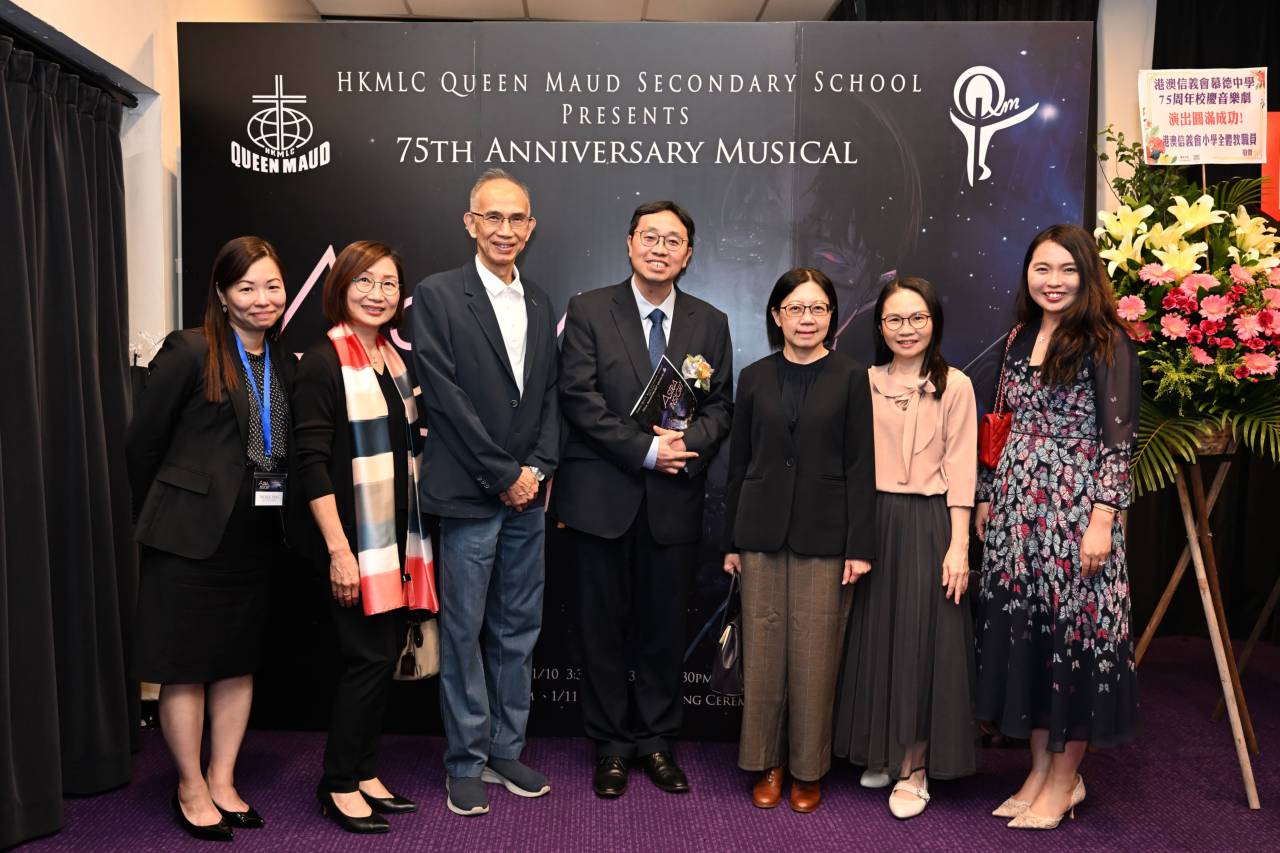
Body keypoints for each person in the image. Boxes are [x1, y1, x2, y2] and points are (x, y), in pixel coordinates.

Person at [554, 200, 733, 798]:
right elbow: (579, 399)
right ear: (629, 244)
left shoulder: (710, 321)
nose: (660, 248)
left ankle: (657, 742)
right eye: (650, 237)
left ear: (689, 254)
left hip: (673, 501)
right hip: (601, 500)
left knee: (663, 631)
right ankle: (610, 745)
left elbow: (721, 406)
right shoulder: (588, 309)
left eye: (673, 240)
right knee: (600, 629)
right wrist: (647, 450)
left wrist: (686, 446)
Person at [127, 236, 295, 841]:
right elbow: (142, 444)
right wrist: (170, 509)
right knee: (187, 667)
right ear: (222, 295)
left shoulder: (285, 362)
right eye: (246, 287)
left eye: (272, 286)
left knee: (235, 664)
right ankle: (190, 784)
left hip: (254, 539)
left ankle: (222, 779)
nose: (261, 298)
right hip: (188, 540)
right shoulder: (191, 350)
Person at [974, 224, 1139, 830]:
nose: (1054, 281)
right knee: (1033, 644)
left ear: (1087, 274)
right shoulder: (1019, 337)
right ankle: (1039, 773)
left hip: (1074, 515)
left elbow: (1119, 445)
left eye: (1067, 269)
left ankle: (1066, 780)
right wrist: (988, 496)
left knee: (1074, 645)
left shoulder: (1106, 341)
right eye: (1042, 268)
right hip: (1017, 513)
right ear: (1027, 275)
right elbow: (1000, 422)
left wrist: (1103, 519)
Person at [411, 169, 560, 817]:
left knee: (518, 627)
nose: (505, 229)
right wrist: (504, 474)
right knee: (465, 630)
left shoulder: (541, 302)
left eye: (516, 218)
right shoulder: (438, 294)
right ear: (470, 223)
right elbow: (445, 398)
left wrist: (538, 469)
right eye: (492, 217)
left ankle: (505, 747)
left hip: (529, 496)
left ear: (531, 227)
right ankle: (465, 760)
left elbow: (549, 396)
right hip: (472, 495)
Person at [291, 240, 438, 834]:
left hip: (395, 538)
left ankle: (365, 769)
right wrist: (339, 552)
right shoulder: (323, 361)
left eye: (388, 284)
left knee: (382, 659)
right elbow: (310, 463)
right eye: (364, 282)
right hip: (353, 541)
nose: (377, 294)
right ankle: (337, 783)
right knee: (366, 659)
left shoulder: (392, 360)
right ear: (341, 286)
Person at [721, 268, 875, 813]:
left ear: (831, 316)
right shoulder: (754, 377)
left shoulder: (852, 377)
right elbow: (738, 463)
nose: (806, 318)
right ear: (776, 315)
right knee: (763, 657)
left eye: (817, 308)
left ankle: (808, 769)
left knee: (815, 658)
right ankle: (769, 762)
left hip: (825, 535)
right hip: (760, 534)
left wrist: (860, 546)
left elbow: (861, 466)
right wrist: (731, 540)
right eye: (795, 308)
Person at [832, 276, 979, 819]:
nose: (906, 329)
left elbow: (962, 469)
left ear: (934, 322)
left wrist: (959, 546)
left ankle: (914, 768)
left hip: (927, 522)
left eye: (917, 318)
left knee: (920, 642)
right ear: (880, 326)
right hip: (872, 520)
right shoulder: (862, 381)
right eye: (894, 319)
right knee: (874, 638)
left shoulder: (955, 385)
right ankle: (884, 752)